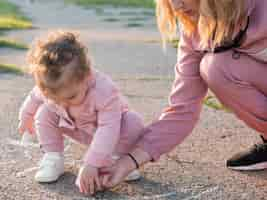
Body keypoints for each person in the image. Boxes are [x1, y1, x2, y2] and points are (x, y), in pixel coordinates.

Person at [99, 0, 267, 189]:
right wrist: (127, 162)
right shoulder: (197, 32)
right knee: (216, 68)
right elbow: (182, 111)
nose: (177, 5)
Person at [18, 31, 144, 195]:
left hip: (111, 133)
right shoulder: (52, 85)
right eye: (55, 99)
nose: (63, 103)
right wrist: (26, 116)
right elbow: (34, 97)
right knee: (44, 112)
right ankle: (53, 157)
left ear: (87, 76)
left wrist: (92, 164)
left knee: (133, 121)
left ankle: (119, 160)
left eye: (71, 96)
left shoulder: (104, 91)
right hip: (75, 127)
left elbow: (108, 129)